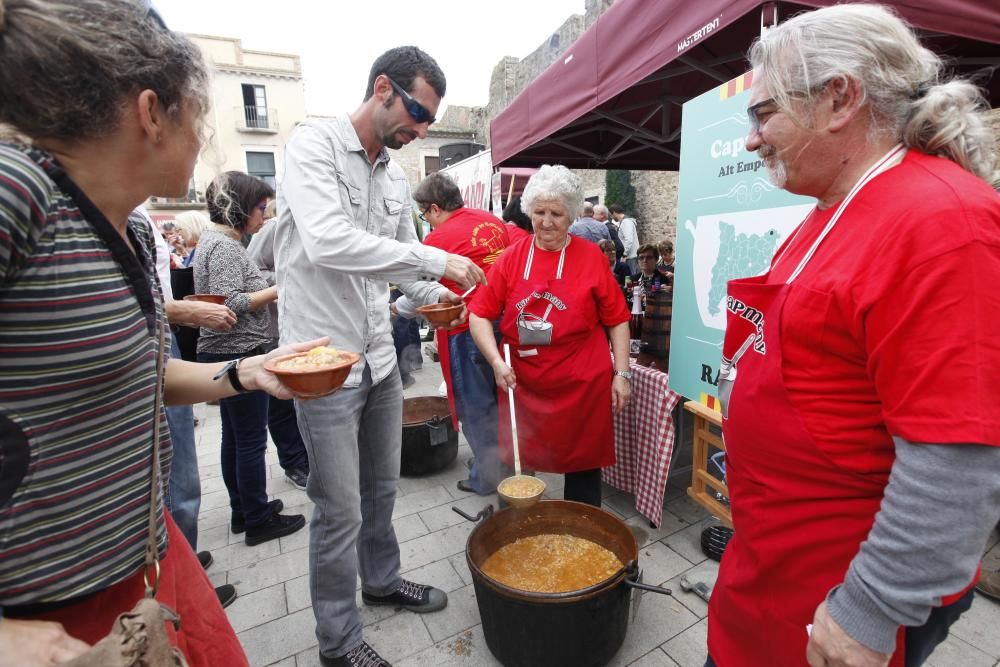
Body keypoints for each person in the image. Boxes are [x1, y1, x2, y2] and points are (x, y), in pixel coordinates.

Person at [0, 2, 327, 664]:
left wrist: (245, 373)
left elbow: (142, 374)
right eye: (198, 118)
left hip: (146, 563)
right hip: (47, 610)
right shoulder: (19, 191)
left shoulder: (136, 229)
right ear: (152, 113)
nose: (203, 139)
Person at [708, 5, 1000, 667]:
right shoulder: (831, 210)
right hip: (772, 562)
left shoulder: (943, 223)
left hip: (832, 595)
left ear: (840, 97)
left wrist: (866, 610)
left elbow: (957, 461)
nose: (753, 140)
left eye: (764, 114)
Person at [274, 45, 486, 667]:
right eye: (417, 112)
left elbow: (402, 271)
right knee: (338, 508)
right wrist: (434, 261)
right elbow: (328, 242)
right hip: (324, 364)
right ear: (382, 87)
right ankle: (338, 643)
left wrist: (455, 294)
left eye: (427, 120)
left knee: (382, 490)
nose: (419, 130)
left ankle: (383, 581)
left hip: (379, 359)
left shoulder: (394, 175)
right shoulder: (313, 146)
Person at [467, 165, 631, 508]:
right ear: (529, 211)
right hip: (522, 382)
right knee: (518, 463)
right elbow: (479, 314)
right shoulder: (512, 258)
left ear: (571, 215)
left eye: (556, 213)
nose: (546, 221)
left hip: (581, 380)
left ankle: (582, 534)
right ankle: (518, 534)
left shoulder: (591, 259)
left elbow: (617, 320)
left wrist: (622, 373)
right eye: (539, 212)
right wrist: (496, 362)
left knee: (584, 467)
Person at [195, 171, 305, 546]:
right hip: (238, 349)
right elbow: (232, 302)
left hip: (224, 349)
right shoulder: (225, 247)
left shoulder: (215, 242)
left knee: (235, 438)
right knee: (250, 441)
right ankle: (257, 519)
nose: (264, 217)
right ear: (238, 207)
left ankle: (244, 510)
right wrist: (280, 288)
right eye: (260, 208)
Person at [413, 172, 511, 495]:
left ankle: (487, 477)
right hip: (504, 322)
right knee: (501, 399)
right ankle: (501, 465)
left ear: (435, 208)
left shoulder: (435, 242)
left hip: (466, 328)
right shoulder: (493, 221)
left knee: (475, 404)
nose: (426, 220)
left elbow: (420, 288)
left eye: (425, 213)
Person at [246, 207, 312, 491]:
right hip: (278, 331)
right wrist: (288, 280)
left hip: (310, 328)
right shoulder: (275, 227)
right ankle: (294, 461)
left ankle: (308, 453)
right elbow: (253, 273)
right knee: (282, 401)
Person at [609, 203, 639, 272]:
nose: (611, 217)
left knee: (631, 279)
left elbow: (629, 240)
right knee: (631, 279)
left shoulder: (626, 222)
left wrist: (624, 254)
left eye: (611, 215)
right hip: (630, 256)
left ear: (614, 213)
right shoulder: (625, 222)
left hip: (629, 257)